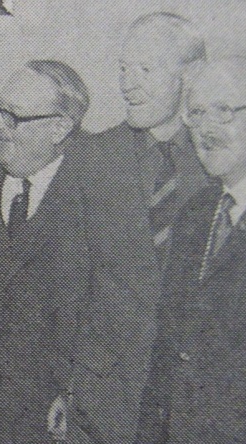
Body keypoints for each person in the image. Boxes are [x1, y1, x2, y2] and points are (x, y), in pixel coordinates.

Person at [0, 61, 159, 444]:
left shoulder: (105, 187)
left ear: (60, 128)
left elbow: (127, 311)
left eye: (14, 116)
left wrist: (81, 394)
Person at [134, 56, 246, 444]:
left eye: (225, 111)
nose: (206, 128)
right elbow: (169, 355)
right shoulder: (197, 213)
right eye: (196, 113)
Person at [91, 12, 209, 265]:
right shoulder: (91, 157)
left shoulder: (220, 159)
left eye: (146, 70)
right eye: (124, 69)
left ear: (192, 74)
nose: (127, 85)